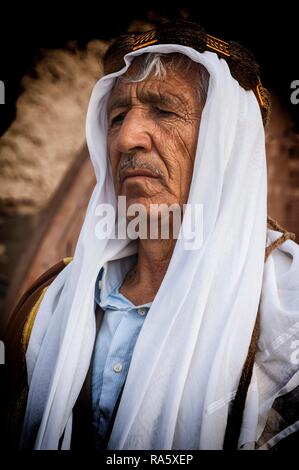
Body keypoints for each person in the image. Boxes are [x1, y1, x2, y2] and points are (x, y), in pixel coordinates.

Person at [4, 19, 299, 450]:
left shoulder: (287, 305)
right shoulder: (51, 302)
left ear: (226, 144)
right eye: (117, 116)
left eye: (163, 110)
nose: (126, 138)